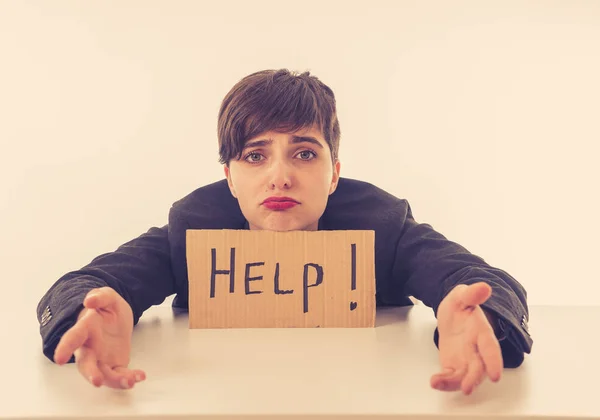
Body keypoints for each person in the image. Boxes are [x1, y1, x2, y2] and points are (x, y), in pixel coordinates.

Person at [36, 68, 533, 395]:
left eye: (304, 153)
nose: (280, 176)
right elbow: (80, 286)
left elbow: (482, 282)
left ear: (334, 173)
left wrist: (473, 313)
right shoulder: (193, 225)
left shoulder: (382, 225)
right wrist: (91, 311)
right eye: (255, 155)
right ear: (229, 176)